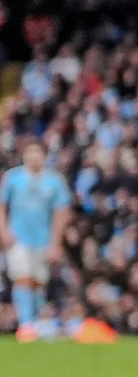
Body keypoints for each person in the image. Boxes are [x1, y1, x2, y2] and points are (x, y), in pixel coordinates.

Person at [5, 141, 74, 339]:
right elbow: (2, 205)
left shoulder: (54, 181)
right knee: (22, 277)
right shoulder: (13, 178)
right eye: (29, 152)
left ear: (44, 155)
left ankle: (33, 323)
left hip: (43, 238)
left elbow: (61, 213)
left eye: (37, 152)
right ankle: (25, 324)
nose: (33, 157)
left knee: (37, 281)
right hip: (18, 236)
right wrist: (4, 231)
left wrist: (56, 243)